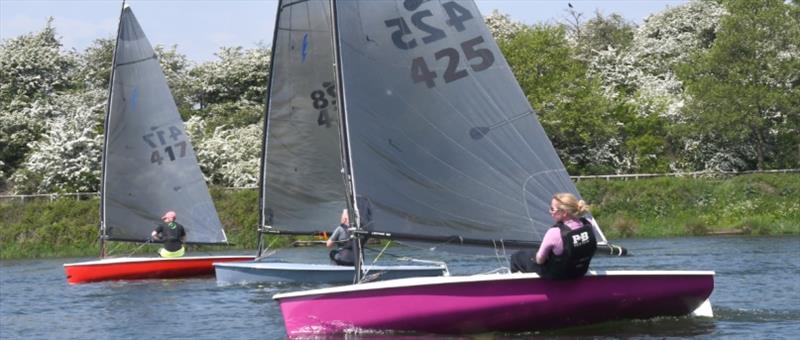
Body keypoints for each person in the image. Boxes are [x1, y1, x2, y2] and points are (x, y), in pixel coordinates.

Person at [510, 193, 597, 279]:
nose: (550, 211)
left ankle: (521, 289)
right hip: (580, 271)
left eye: (552, 209)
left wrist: (535, 257)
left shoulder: (554, 232)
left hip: (559, 276)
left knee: (517, 258)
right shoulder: (589, 224)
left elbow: (540, 260)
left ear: (564, 213)